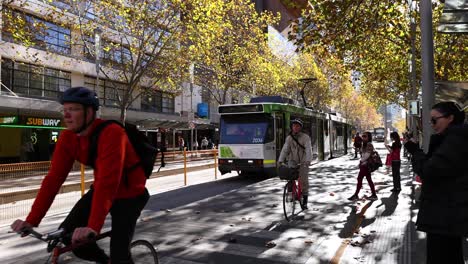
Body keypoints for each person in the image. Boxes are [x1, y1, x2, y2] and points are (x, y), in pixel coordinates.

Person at [11, 87, 149, 264]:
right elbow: (53, 180)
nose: (67, 115)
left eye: (74, 109)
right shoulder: (68, 137)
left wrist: (93, 226)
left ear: (90, 112)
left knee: (120, 255)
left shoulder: (113, 133)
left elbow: (108, 182)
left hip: (130, 194)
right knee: (69, 239)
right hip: (100, 190)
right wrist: (31, 220)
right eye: (65, 110)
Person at [404, 101, 468, 264]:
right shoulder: (453, 139)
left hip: (445, 215)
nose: (432, 125)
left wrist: (415, 152)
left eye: (435, 120)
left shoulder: (455, 141)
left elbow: (429, 171)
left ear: (450, 118)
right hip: (448, 215)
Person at [278, 118, 312, 209]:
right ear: (292, 127)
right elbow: (285, 150)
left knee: (303, 181)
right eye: (294, 126)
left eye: (297, 126)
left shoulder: (305, 137)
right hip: (292, 161)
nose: (295, 127)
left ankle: (304, 201)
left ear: (300, 127)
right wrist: (280, 161)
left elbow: (308, 149)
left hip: (303, 161)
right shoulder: (289, 138)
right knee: (290, 177)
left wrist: (308, 160)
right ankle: (291, 194)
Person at [348, 131, 378, 201]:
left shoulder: (369, 144)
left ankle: (356, 195)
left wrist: (361, 161)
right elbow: (362, 153)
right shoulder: (364, 144)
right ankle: (374, 194)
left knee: (360, 179)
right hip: (364, 165)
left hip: (365, 165)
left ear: (369, 137)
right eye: (363, 136)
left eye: (365, 136)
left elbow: (367, 155)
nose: (363, 137)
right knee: (368, 179)